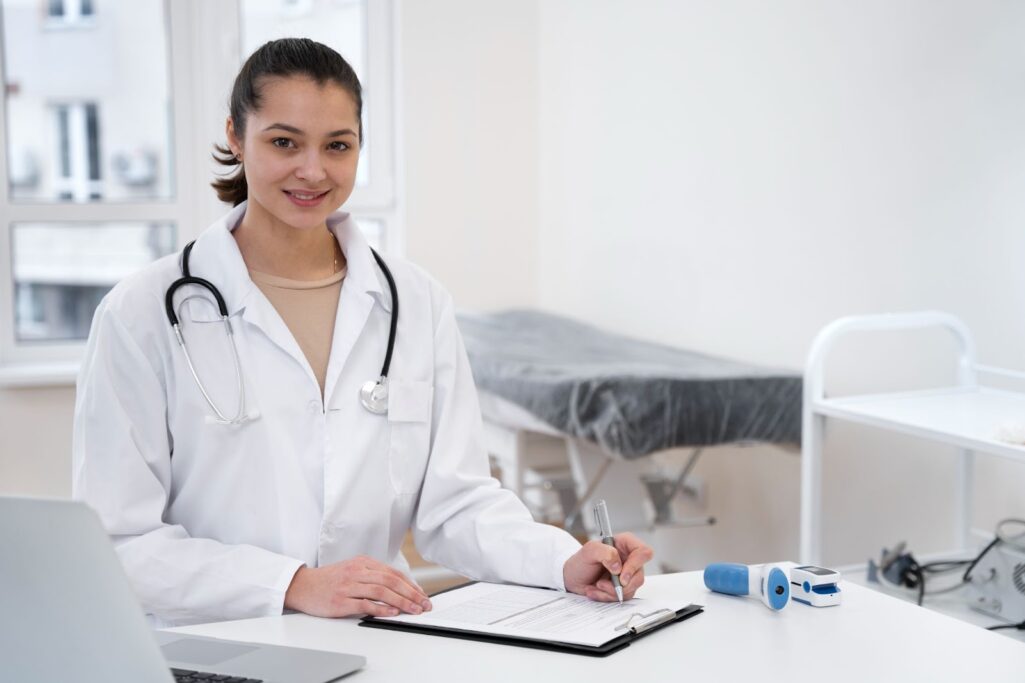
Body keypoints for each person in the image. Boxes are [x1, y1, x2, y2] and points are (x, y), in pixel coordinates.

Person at [72, 38, 652, 627]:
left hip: (372, 644)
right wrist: (293, 584)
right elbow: (119, 542)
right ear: (234, 136)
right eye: (283, 142)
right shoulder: (142, 313)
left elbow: (456, 503)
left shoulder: (415, 303)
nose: (313, 170)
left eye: (337, 146)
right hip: (214, 644)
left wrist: (561, 560)